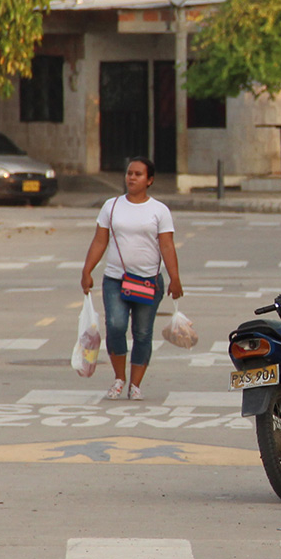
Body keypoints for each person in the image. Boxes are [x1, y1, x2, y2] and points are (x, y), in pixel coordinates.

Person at [79, 156, 183, 402]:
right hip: (116, 279)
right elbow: (100, 241)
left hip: (149, 281)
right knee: (115, 326)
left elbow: (167, 246)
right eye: (129, 173)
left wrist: (174, 278)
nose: (132, 178)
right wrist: (87, 270)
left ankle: (135, 384)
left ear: (150, 180)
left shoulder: (159, 210)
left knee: (143, 333)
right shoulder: (111, 206)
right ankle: (119, 378)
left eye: (138, 174)